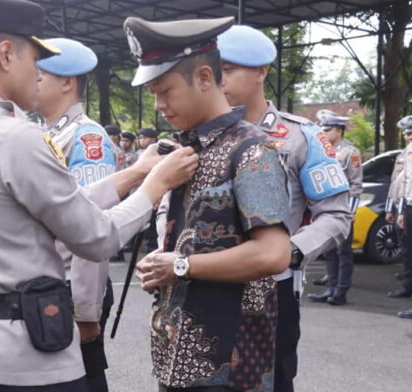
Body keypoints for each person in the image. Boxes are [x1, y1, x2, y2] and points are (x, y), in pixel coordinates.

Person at [0, 0, 199, 390]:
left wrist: (134, 174)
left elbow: (39, 208)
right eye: (35, 58)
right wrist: (154, 186)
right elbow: (96, 238)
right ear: (5, 54)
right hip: (28, 352)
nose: (38, 73)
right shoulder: (16, 137)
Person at [125, 16, 292, 392]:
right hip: (178, 356)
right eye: (153, 92)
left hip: (229, 367)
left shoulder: (251, 149)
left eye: (165, 90)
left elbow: (273, 254)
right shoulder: (189, 148)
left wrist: (181, 265)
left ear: (203, 77)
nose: (158, 104)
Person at [217, 25, 351, 392]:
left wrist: (291, 251)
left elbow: (336, 213)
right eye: (214, 70)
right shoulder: (205, 134)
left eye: (228, 70)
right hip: (206, 283)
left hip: (271, 288)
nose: (219, 80)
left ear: (260, 72)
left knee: (272, 381)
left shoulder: (300, 136)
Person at [34, 37, 116, 391]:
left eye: (39, 74)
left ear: (67, 82)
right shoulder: (43, 134)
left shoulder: (86, 138)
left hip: (73, 287)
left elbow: (91, 227)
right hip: (49, 283)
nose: (29, 79)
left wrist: (86, 311)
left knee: (83, 380)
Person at [307, 110, 362, 305]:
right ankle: (330, 287)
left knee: (343, 252)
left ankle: (341, 291)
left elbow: (356, 185)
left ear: (339, 130)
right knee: (329, 251)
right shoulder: (322, 150)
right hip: (323, 209)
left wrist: (350, 212)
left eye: (327, 129)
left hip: (342, 210)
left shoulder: (350, 152)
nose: (324, 133)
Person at [386, 116, 412, 301]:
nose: (407, 136)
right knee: (406, 249)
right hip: (406, 205)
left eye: (410, 132)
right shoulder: (405, 154)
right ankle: (407, 285)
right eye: (405, 132)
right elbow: (398, 183)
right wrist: (395, 209)